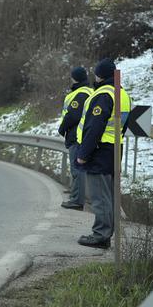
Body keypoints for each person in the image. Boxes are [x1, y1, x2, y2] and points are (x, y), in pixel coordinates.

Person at [75, 59, 130, 249]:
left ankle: (101, 235)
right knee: (109, 195)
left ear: (100, 75)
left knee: (100, 196)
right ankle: (106, 232)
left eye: (96, 73)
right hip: (114, 149)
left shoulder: (103, 95)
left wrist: (83, 153)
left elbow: (94, 127)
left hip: (100, 150)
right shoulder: (122, 94)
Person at [57, 66, 92, 211]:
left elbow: (72, 115)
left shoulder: (80, 93)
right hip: (84, 135)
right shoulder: (89, 91)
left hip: (76, 136)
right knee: (80, 169)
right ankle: (77, 198)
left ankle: (77, 201)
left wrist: (62, 128)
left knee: (77, 170)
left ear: (75, 78)